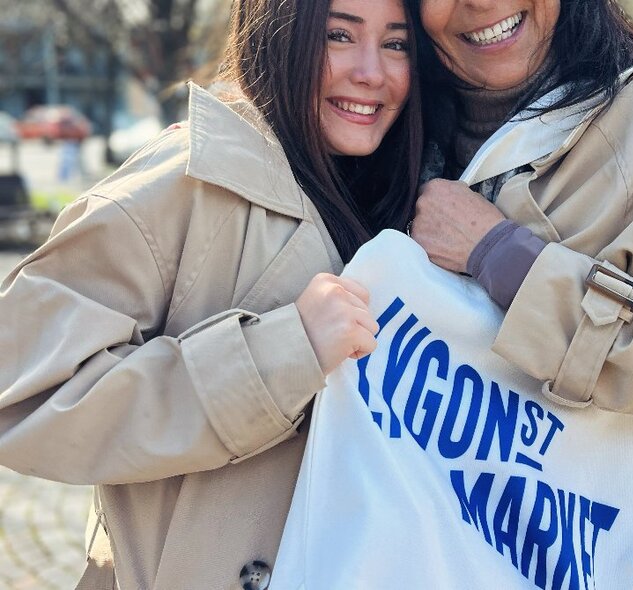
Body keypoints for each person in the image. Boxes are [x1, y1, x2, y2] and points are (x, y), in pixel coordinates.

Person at [0, 0, 420, 588]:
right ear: (277, 35)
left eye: (397, 43)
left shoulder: (412, 198)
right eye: (338, 35)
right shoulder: (189, 178)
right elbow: (18, 387)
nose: (372, 71)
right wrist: (281, 355)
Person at [406, 1, 633, 588]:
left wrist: (499, 254)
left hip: (582, 550)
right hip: (418, 545)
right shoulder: (379, 119)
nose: (480, 3)